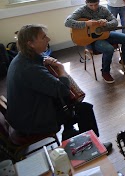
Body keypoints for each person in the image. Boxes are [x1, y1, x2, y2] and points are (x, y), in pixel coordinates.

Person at [6, 24, 112, 152]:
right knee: (84, 108)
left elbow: (40, 71)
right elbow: (63, 90)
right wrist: (61, 70)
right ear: (31, 44)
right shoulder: (30, 69)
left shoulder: (22, 58)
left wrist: (44, 61)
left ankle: (69, 133)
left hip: (22, 116)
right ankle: (91, 148)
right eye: (44, 37)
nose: (48, 39)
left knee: (69, 104)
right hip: (31, 122)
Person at [65, 0, 125, 84]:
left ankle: (124, 60)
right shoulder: (81, 11)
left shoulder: (103, 9)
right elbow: (67, 22)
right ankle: (105, 72)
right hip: (91, 40)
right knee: (109, 49)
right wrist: (86, 23)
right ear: (86, 3)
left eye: (96, 4)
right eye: (91, 5)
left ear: (99, 2)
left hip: (104, 34)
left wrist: (106, 23)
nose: (94, 7)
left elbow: (114, 22)